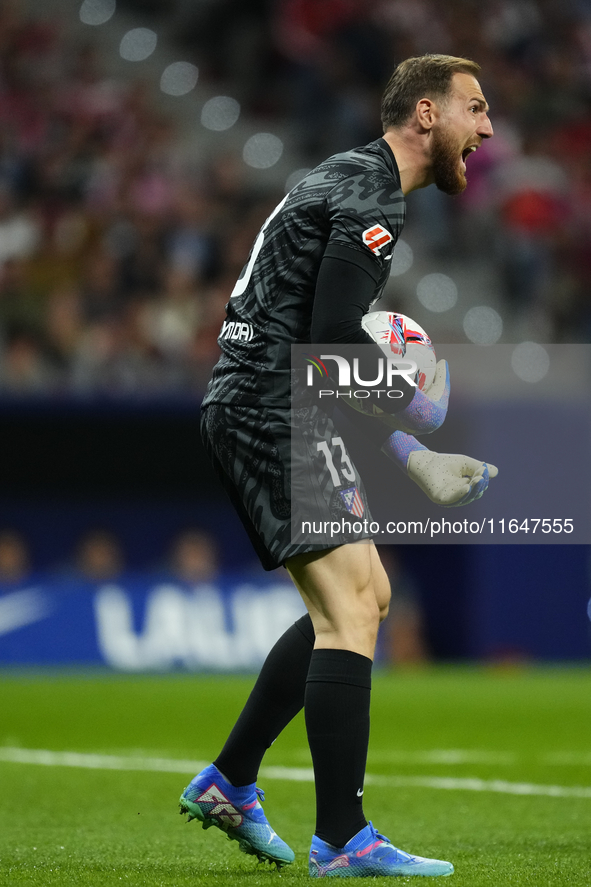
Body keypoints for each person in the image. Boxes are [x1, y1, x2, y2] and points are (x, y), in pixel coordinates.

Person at [179, 54, 496, 878]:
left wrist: (407, 452)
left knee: (366, 596)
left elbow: (312, 350)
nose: (487, 128)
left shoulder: (349, 179)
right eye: (474, 108)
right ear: (425, 114)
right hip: (264, 405)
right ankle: (342, 839)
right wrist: (417, 412)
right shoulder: (368, 191)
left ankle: (231, 778)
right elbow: (330, 337)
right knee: (352, 603)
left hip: (271, 399)